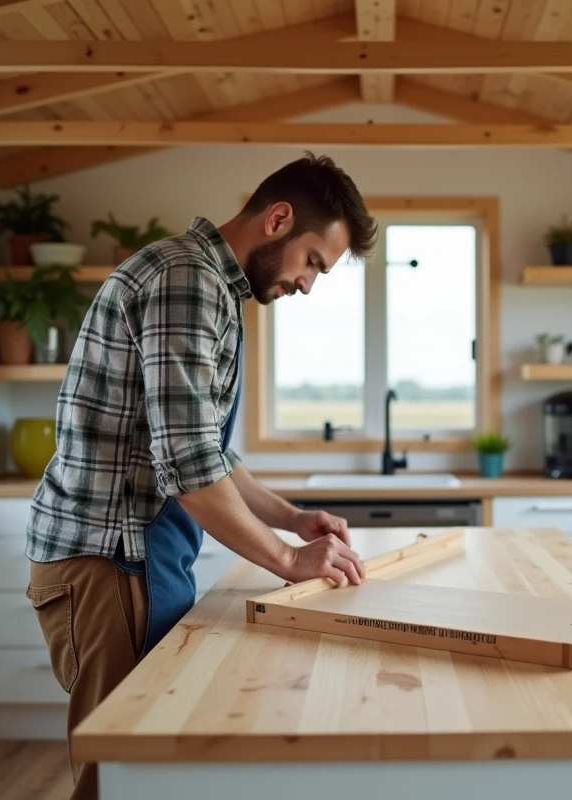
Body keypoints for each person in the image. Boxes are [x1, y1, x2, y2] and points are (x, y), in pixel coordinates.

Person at [23, 152, 378, 800]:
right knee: (117, 775)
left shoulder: (205, 282)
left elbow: (205, 449)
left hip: (132, 558)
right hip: (110, 563)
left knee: (148, 767)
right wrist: (289, 560)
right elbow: (187, 469)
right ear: (278, 219)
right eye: (313, 263)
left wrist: (291, 519)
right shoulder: (188, 280)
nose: (307, 284)